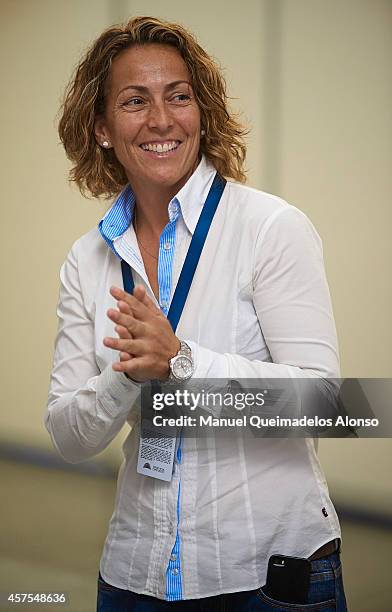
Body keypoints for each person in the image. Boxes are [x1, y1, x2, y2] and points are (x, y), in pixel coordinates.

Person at [45, 15, 348, 611]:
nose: (161, 120)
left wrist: (181, 362)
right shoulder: (87, 260)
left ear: (201, 111)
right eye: (135, 101)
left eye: (178, 96)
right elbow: (68, 437)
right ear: (102, 129)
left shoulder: (270, 229)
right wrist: (127, 376)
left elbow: (328, 405)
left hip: (268, 575)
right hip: (135, 576)